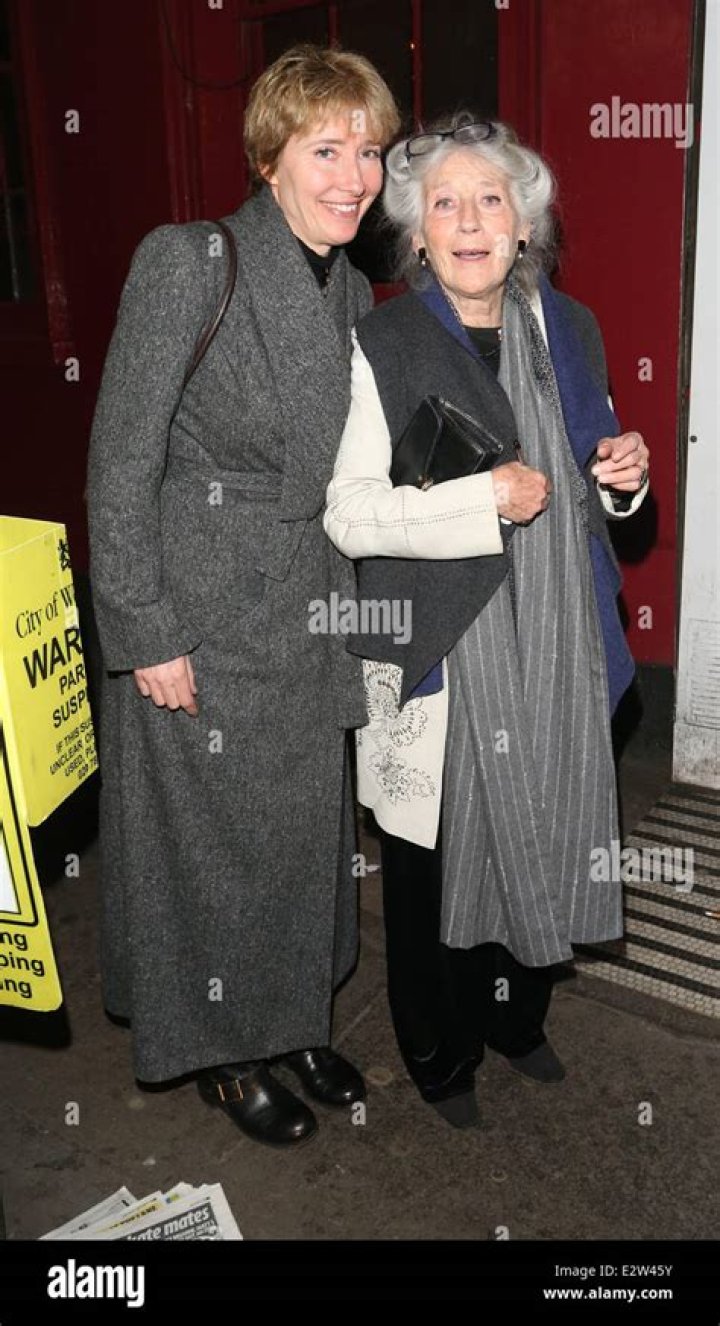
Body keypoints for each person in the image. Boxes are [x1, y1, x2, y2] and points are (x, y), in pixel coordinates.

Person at [87, 45, 400, 1148]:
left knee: (304, 837)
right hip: (205, 614)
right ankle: (224, 1051)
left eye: (370, 151)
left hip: (311, 606)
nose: (355, 177)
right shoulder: (190, 262)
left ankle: (292, 1018)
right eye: (328, 150)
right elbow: (120, 461)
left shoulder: (352, 289)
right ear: (270, 158)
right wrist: (145, 629)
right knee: (214, 844)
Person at [324, 114, 650, 1129]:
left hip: (562, 644)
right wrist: (479, 503)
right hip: (447, 651)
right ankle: (439, 1049)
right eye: (446, 205)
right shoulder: (382, 343)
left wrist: (627, 479)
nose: (470, 223)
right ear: (417, 235)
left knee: (549, 830)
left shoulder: (571, 327)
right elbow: (349, 512)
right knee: (430, 870)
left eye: (491, 201)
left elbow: (599, 480)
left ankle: (516, 1019)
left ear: (525, 225)